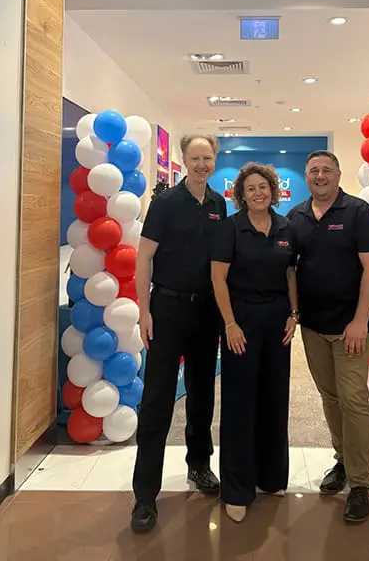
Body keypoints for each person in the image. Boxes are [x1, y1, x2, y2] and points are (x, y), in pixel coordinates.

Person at [131, 134, 227, 533]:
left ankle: (199, 466)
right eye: (195, 157)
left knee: (203, 394)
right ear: (184, 160)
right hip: (167, 310)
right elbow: (143, 258)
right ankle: (144, 497)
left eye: (207, 158)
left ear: (214, 160)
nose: (202, 164)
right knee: (156, 401)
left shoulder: (220, 204)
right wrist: (144, 312)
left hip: (206, 311)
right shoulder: (165, 203)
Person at [288, 151, 369, 523]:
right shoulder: (296, 217)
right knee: (330, 397)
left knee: (354, 399)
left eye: (327, 170)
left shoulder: (359, 213)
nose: (321, 176)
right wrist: (295, 314)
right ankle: (342, 461)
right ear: (306, 176)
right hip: (313, 326)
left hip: (351, 328)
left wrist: (360, 320)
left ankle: (361, 483)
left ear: (339, 174)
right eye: (314, 170)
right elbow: (290, 270)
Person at [211, 163, 298, 523]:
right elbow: (218, 277)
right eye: (251, 189)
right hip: (241, 321)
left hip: (278, 321)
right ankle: (236, 488)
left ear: (273, 191)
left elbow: (290, 272)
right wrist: (229, 323)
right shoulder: (231, 228)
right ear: (241, 195)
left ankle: (272, 477)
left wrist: (294, 314)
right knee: (239, 403)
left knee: (275, 398)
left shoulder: (286, 228)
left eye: (263, 187)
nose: (258, 193)